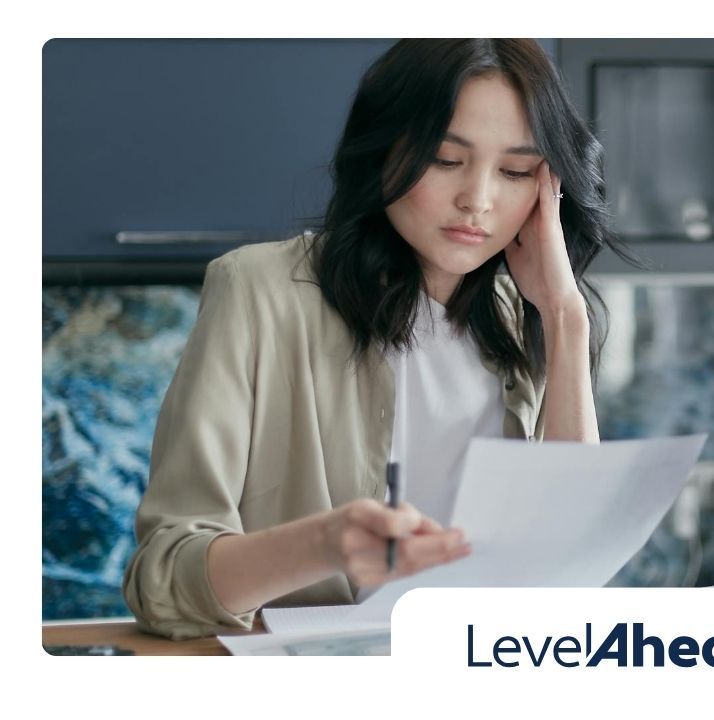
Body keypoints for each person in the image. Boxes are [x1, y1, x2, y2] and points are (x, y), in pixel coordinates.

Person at [122, 39, 633, 640]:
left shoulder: (526, 316)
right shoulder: (260, 289)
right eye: (446, 159)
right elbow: (163, 584)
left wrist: (564, 317)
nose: (479, 200)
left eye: (516, 171)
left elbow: (570, 564)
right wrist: (324, 543)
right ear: (384, 149)